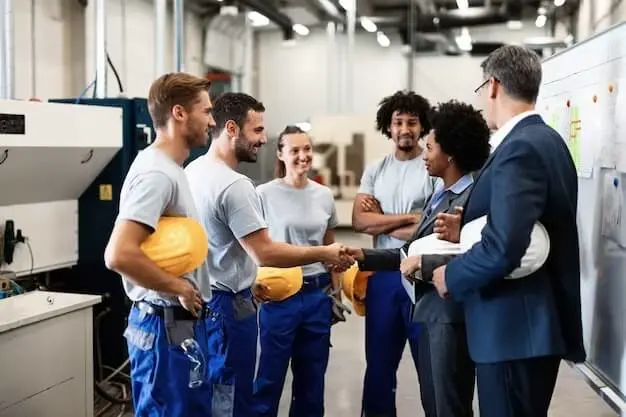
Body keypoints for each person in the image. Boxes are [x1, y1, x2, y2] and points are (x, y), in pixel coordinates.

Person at [431, 45, 586, 417]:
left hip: (514, 331)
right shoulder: (547, 140)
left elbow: (504, 248)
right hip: (527, 330)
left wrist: (451, 274)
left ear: (494, 85)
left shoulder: (520, 149)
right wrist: (466, 229)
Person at [184, 92, 353, 417]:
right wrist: (325, 252)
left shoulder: (193, 171)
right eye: (258, 130)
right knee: (238, 395)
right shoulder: (238, 186)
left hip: (206, 298)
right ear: (232, 128)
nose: (262, 138)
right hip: (231, 305)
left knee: (217, 391)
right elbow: (264, 252)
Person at [347, 100, 489, 417]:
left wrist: (384, 220)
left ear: (449, 153)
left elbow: (464, 252)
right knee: (397, 374)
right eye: (398, 122)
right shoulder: (438, 193)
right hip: (415, 293)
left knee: (444, 396)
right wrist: (363, 254)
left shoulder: (470, 198)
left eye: (430, 147)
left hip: (444, 304)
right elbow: (374, 228)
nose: (425, 154)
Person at [103, 72, 216, 416]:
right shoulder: (156, 174)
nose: (212, 120)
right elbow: (118, 253)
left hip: (176, 326)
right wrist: (177, 286)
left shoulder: (171, 167)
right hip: (163, 327)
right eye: (207, 112)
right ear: (180, 113)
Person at [351, 90, 438, 416]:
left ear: (421, 126)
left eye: (412, 122)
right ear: (388, 126)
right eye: (398, 122)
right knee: (379, 366)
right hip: (382, 277)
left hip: (421, 275)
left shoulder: (431, 166)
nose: (405, 129)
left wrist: (381, 220)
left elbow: (430, 228)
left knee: (429, 366)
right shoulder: (376, 170)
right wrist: (407, 218)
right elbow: (359, 220)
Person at [252, 125, 344, 417]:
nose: (303, 156)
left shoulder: (324, 195)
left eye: (307, 149)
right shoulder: (263, 195)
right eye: (294, 151)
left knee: (312, 382)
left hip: (317, 296)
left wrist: (337, 293)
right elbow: (251, 247)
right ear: (280, 154)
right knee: (268, 378)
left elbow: (331, 249)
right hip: (278, 298)